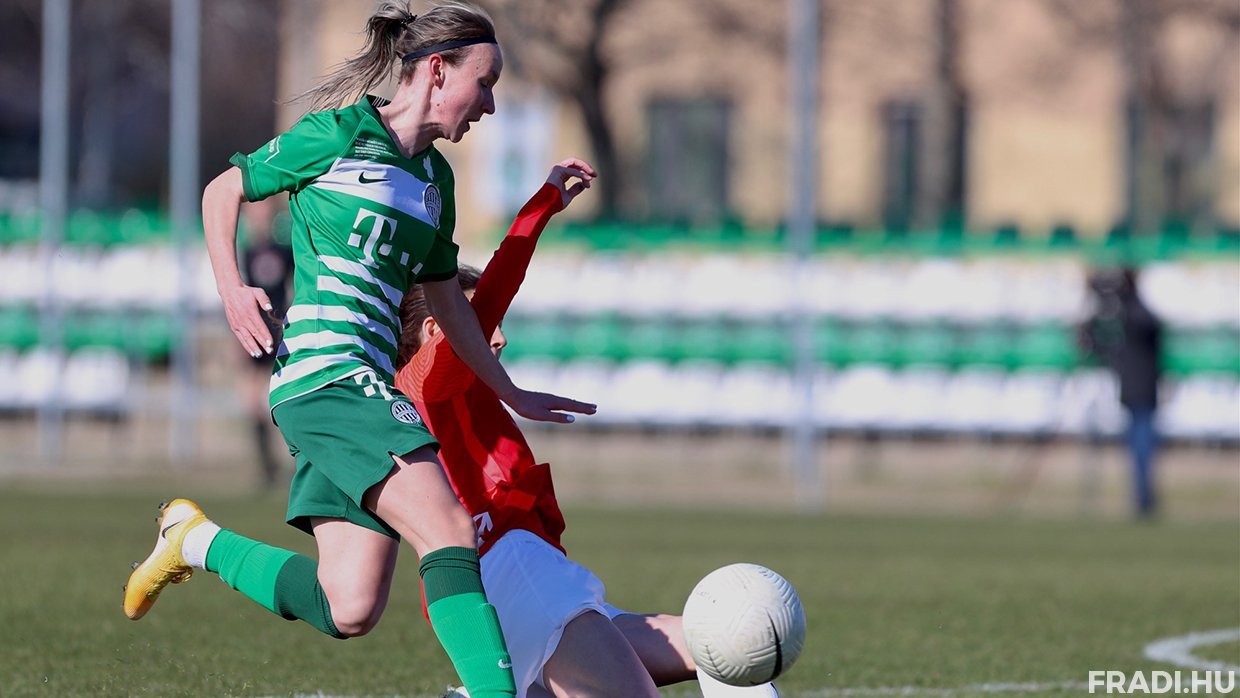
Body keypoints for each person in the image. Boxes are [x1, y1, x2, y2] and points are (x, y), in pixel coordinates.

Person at [123, 4, 595, 697]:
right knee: (449, 528)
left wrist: (510, 390)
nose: (491, 105)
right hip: (329, 375)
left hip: (363, 386)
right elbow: (225, 189)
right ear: (438, 71)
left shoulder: (436, 183)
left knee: (349, 604)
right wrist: (231, 287)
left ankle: (193, 540)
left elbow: (450, 307)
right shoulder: (338, 135)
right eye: (486, 83)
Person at [394, 169, 781, 697]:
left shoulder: (456, 382)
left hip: (532, 575)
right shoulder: (428, 380)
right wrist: (541, 207)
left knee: (722, 648)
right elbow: (501, 283)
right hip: (510, 574)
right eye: (483, 323)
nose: (499, 336)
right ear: (436, 330)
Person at [1080, 266, 1163, 518]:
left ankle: (1143, 498)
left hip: (1138, 388)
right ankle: (1142, 497)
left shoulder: (1132, 314)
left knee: (1141, 444)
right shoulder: (1132, 314)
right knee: (1139, 445)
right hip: (1138, 388)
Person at [237, 196, 294, 490]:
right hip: (252, 330)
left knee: (287, 399)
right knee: (251, 401)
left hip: (280, 331)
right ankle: (266, 467)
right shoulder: (242, 252)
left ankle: (299, 462)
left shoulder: (285, 249)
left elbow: (293, 289)